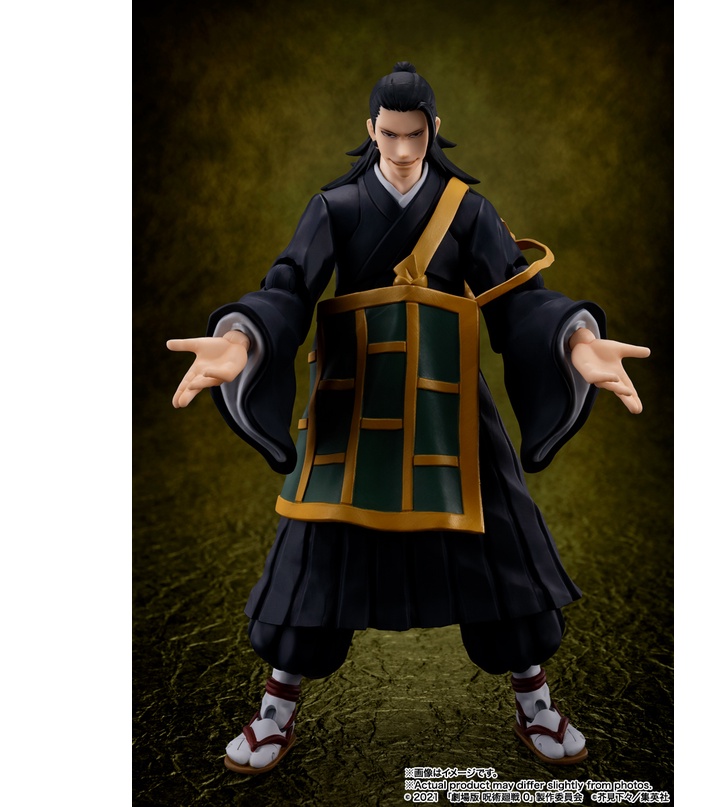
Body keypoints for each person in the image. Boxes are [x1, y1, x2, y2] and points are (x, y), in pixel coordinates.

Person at [168, 62, 649, 775]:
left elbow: (518, 299)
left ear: (433, 130)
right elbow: (289, 286)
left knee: (502, 544)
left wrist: (575, 340)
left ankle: (536, 702)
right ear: (370, 130)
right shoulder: (335, 206)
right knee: (314, 553)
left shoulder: (468, 211)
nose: (400, 149)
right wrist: (242, 337)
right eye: (389, 134)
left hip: (446, 400)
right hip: (353, 401)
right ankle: (275, 710)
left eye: (413, 135)